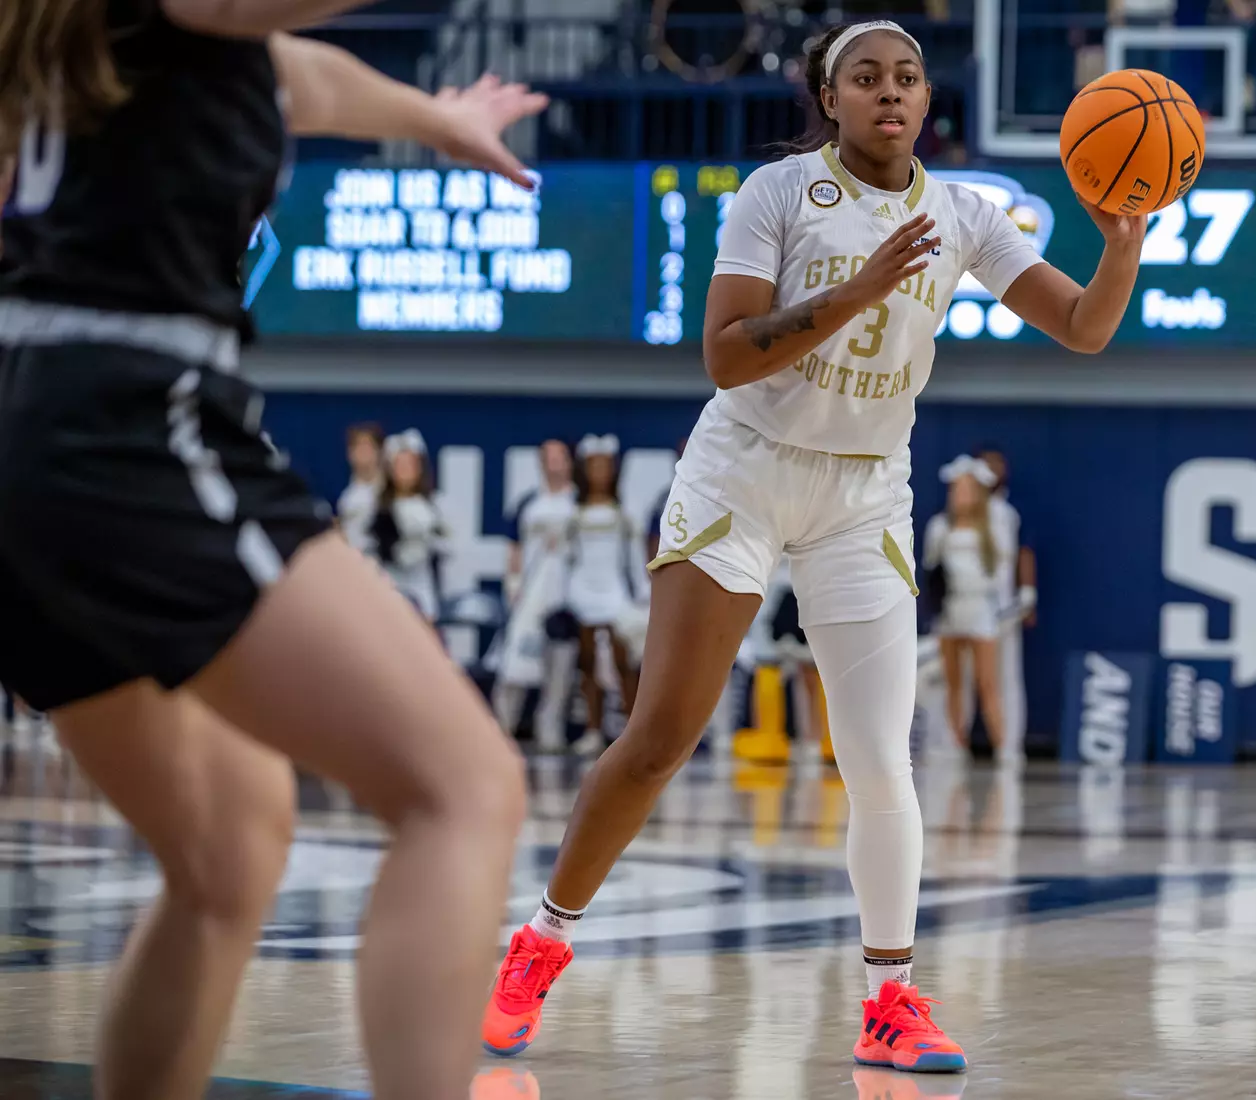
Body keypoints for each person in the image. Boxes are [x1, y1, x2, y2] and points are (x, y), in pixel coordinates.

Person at [481, 18, 1144, 1073]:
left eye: (908, 77)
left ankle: (889, 999)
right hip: (744, 470)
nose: (892, 92)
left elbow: (1085, 327)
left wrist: (1122, 244)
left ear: (927, 100)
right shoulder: (778, 194)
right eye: (866, 77)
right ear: (829, 99)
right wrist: (856, 291)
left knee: (881, 757)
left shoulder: (965, 214)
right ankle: (540, 940)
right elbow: (725, 355)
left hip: (864, 493)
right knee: (661, 736)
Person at [0, 5, 546, 1099]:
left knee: (232, 842)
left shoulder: (102, 36)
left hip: (36, 424)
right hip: (119, 416)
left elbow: (309, 76)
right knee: (465, 787)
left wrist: (435, 119)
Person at [493, 438, 580, 748]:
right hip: (531, 594)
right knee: (514, 663)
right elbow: (514, 549)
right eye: (548, 458)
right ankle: (500, 730)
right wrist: (513, 585)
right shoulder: (528, 503)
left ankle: (550, 730)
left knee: (560, 667)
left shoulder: (578, 503)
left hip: (566, 595)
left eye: (559, 457)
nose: (553, 464)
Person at [564, 433, 644, 756]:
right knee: (588, 663)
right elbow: (568, 556)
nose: (600, 472)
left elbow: (634, 556)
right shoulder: (574, 512)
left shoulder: (624, 512)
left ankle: (631, 730)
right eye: (593, 465)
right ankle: (593, 729)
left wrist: (641, 592)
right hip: (583, 590)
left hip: (614, 591)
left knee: (623, 661)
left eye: (605, 465)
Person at [923, 456, 1006, 758]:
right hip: (950, 611)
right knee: (953, 681)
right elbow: (930, 567)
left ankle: (1001, 746)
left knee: (987, 682)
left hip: (980, 610)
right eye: (957, 490)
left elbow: (999, 572)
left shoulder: (992, 528)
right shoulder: (939, 527)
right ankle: (957, 743)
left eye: (967, 490)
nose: (961, 496)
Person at [978, 446, 1035, 759]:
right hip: (965, 605)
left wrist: (1027, 594)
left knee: (1006, 677)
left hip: (1003, 608)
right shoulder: (955, 513)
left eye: (996, 465)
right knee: (958, 679)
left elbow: (1024, 551)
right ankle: (947, 744)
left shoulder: (1010, 513)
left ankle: (1010, 746)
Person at [371, 429, 449, 621]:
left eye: (410, 464)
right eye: (399, 465)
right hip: (388, 584)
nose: (405, 470)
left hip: (422, 587)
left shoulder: (435, 505)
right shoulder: (378, 506)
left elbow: (448, 544)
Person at [337, 421, 386, 553]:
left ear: (379, 451)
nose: (363, 453)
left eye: (368, 447)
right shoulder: (347, 496)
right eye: (357, 447)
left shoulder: (389, 492)